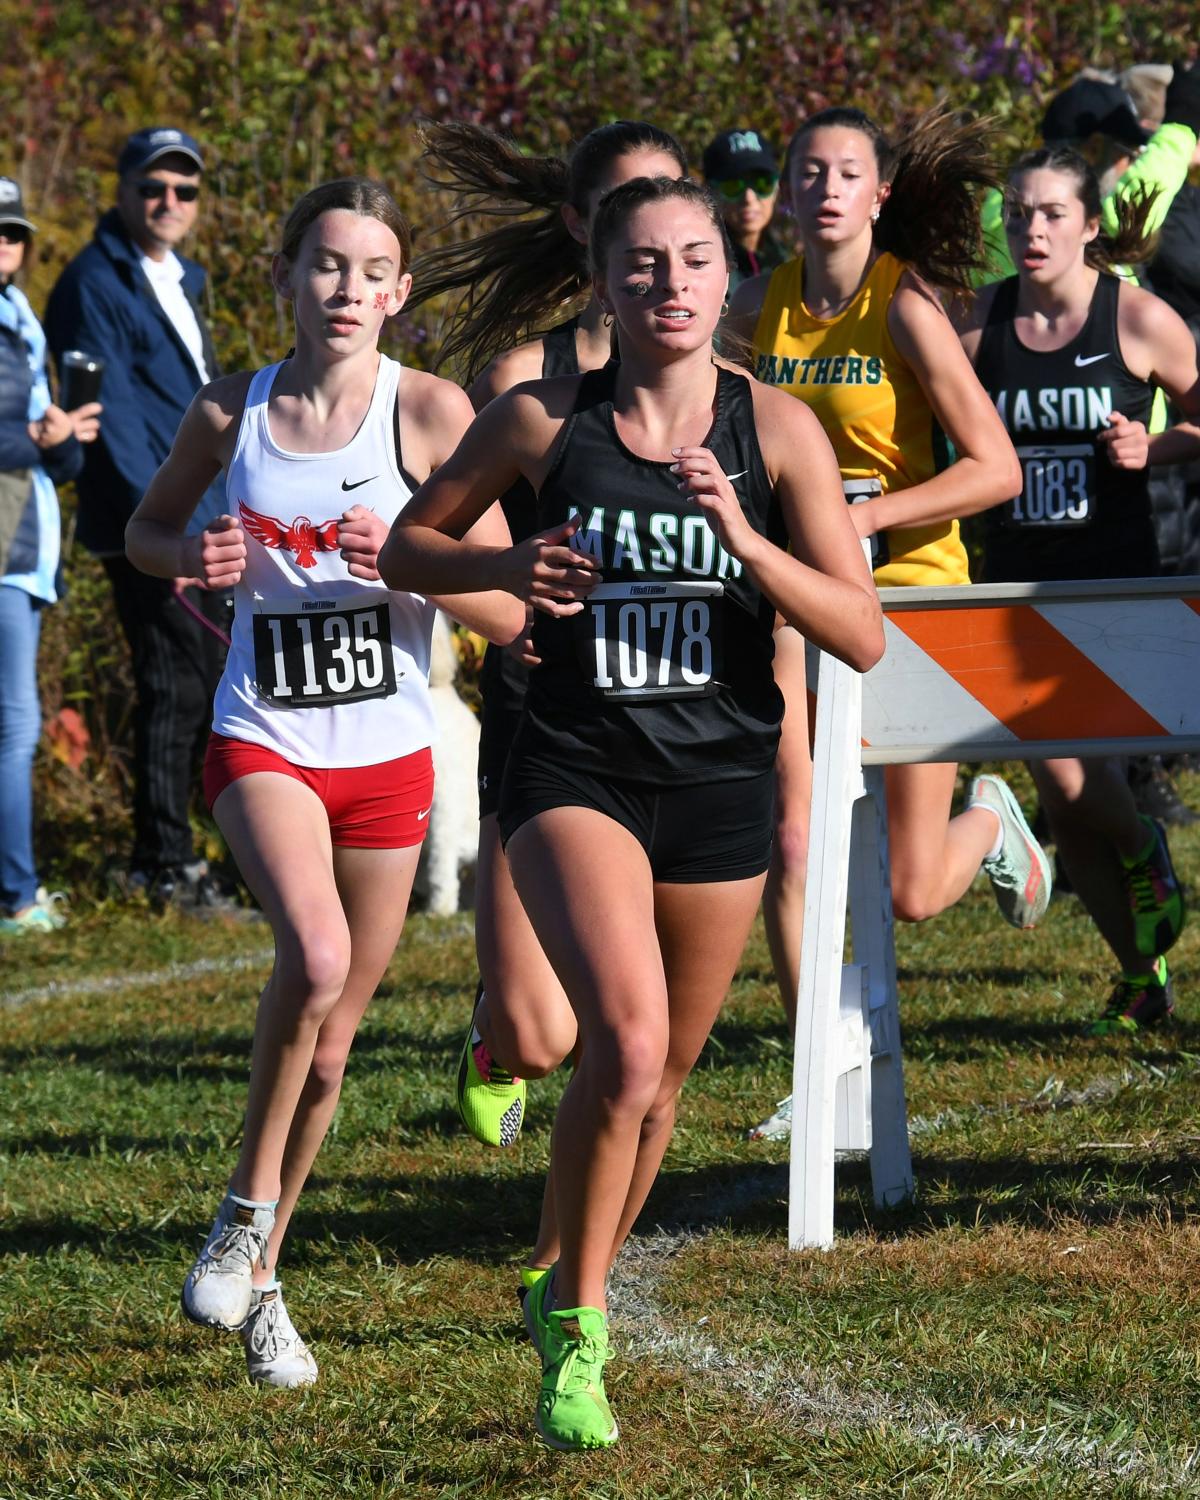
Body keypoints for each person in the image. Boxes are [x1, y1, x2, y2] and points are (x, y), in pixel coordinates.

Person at [379, 174, 884, 1452]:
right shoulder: (544, 422)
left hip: (717, 783)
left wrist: (751, 546)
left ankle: (563, 1272)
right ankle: (584, 1332)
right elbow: (405, 548)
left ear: (730, 277)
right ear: (602, 283)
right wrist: (503, 564)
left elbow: (862, 638)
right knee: (630, 1035)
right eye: (643, 264)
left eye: (695, 260)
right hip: (576, 770)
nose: (669, 283)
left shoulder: (779, 435)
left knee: (655, 1090)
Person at [124, 177, 519, 1388]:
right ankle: (243, 1216)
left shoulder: (435, 414)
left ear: (400, 294)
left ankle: (265, 1277)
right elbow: (143, 537)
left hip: (389, 759)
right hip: (266, 742)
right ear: (288, 277)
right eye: (326, 265)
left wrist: (412, 563)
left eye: (372, 270)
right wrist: (191, 554)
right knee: (321, 958)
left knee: (335, 1048)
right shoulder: (225, 411)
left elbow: (507, 608)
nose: (347, 289)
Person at [726, 106, 1038, 1141]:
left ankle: (991, 818)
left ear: (878, 194)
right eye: (806, 168)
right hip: (795, 605)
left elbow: (997, 468)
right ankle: (822, 1067)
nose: (822, 186)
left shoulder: (905, 306)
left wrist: (871, 513)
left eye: (844, 171)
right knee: (793, 832)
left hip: (911, 599)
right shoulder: (752, 305)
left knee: (908, 889)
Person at [409, 122, 687, 1193]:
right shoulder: (525, 380)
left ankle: (579, 1251)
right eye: (627, 212)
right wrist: (517, 597)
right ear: (586, 232)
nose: (654, 246)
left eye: (672, 209)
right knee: (538, 1038)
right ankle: (493, 1032)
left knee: (635, 1030)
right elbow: (451, 536)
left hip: (678, 718)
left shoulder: (732, 385)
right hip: (549, 715)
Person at [955, 146, 1200, 1034]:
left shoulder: (1134, 317)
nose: (1032, 230)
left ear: (1091, 227)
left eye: (1053, 213)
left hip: (1115, 583)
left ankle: (1141, 856)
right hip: (1016, 586)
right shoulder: (981, 324)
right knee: (1060, 790)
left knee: (1072, 774)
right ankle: (1143, 965)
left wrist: (1156, 446)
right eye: (1018, 214)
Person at [45, 127, 235, 911]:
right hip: (153, 528)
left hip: (205, 521)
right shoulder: (96, 284)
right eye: (153, 188)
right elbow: (114, 421)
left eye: (184, 190)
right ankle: (162, 864)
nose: (168, 203)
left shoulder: (178, 277)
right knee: (173, 687)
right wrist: (168, 537)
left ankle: (195, 849)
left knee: (208, 684)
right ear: (121, 190)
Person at [0, 178, 100, 935]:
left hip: (27, 545)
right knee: (16, 723)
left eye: (12, 234)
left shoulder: (21, 319)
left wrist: (62, 438)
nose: (3, 246)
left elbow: (58, 466)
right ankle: (18, 895)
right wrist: (36, 440)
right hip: (4, 548)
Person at [701, 127, 790, 293]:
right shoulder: (700, 268)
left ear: (777, 189)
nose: (749, 198)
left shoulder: (790, 261)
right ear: (709, 192)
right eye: (733, 186)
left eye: (762, 184)